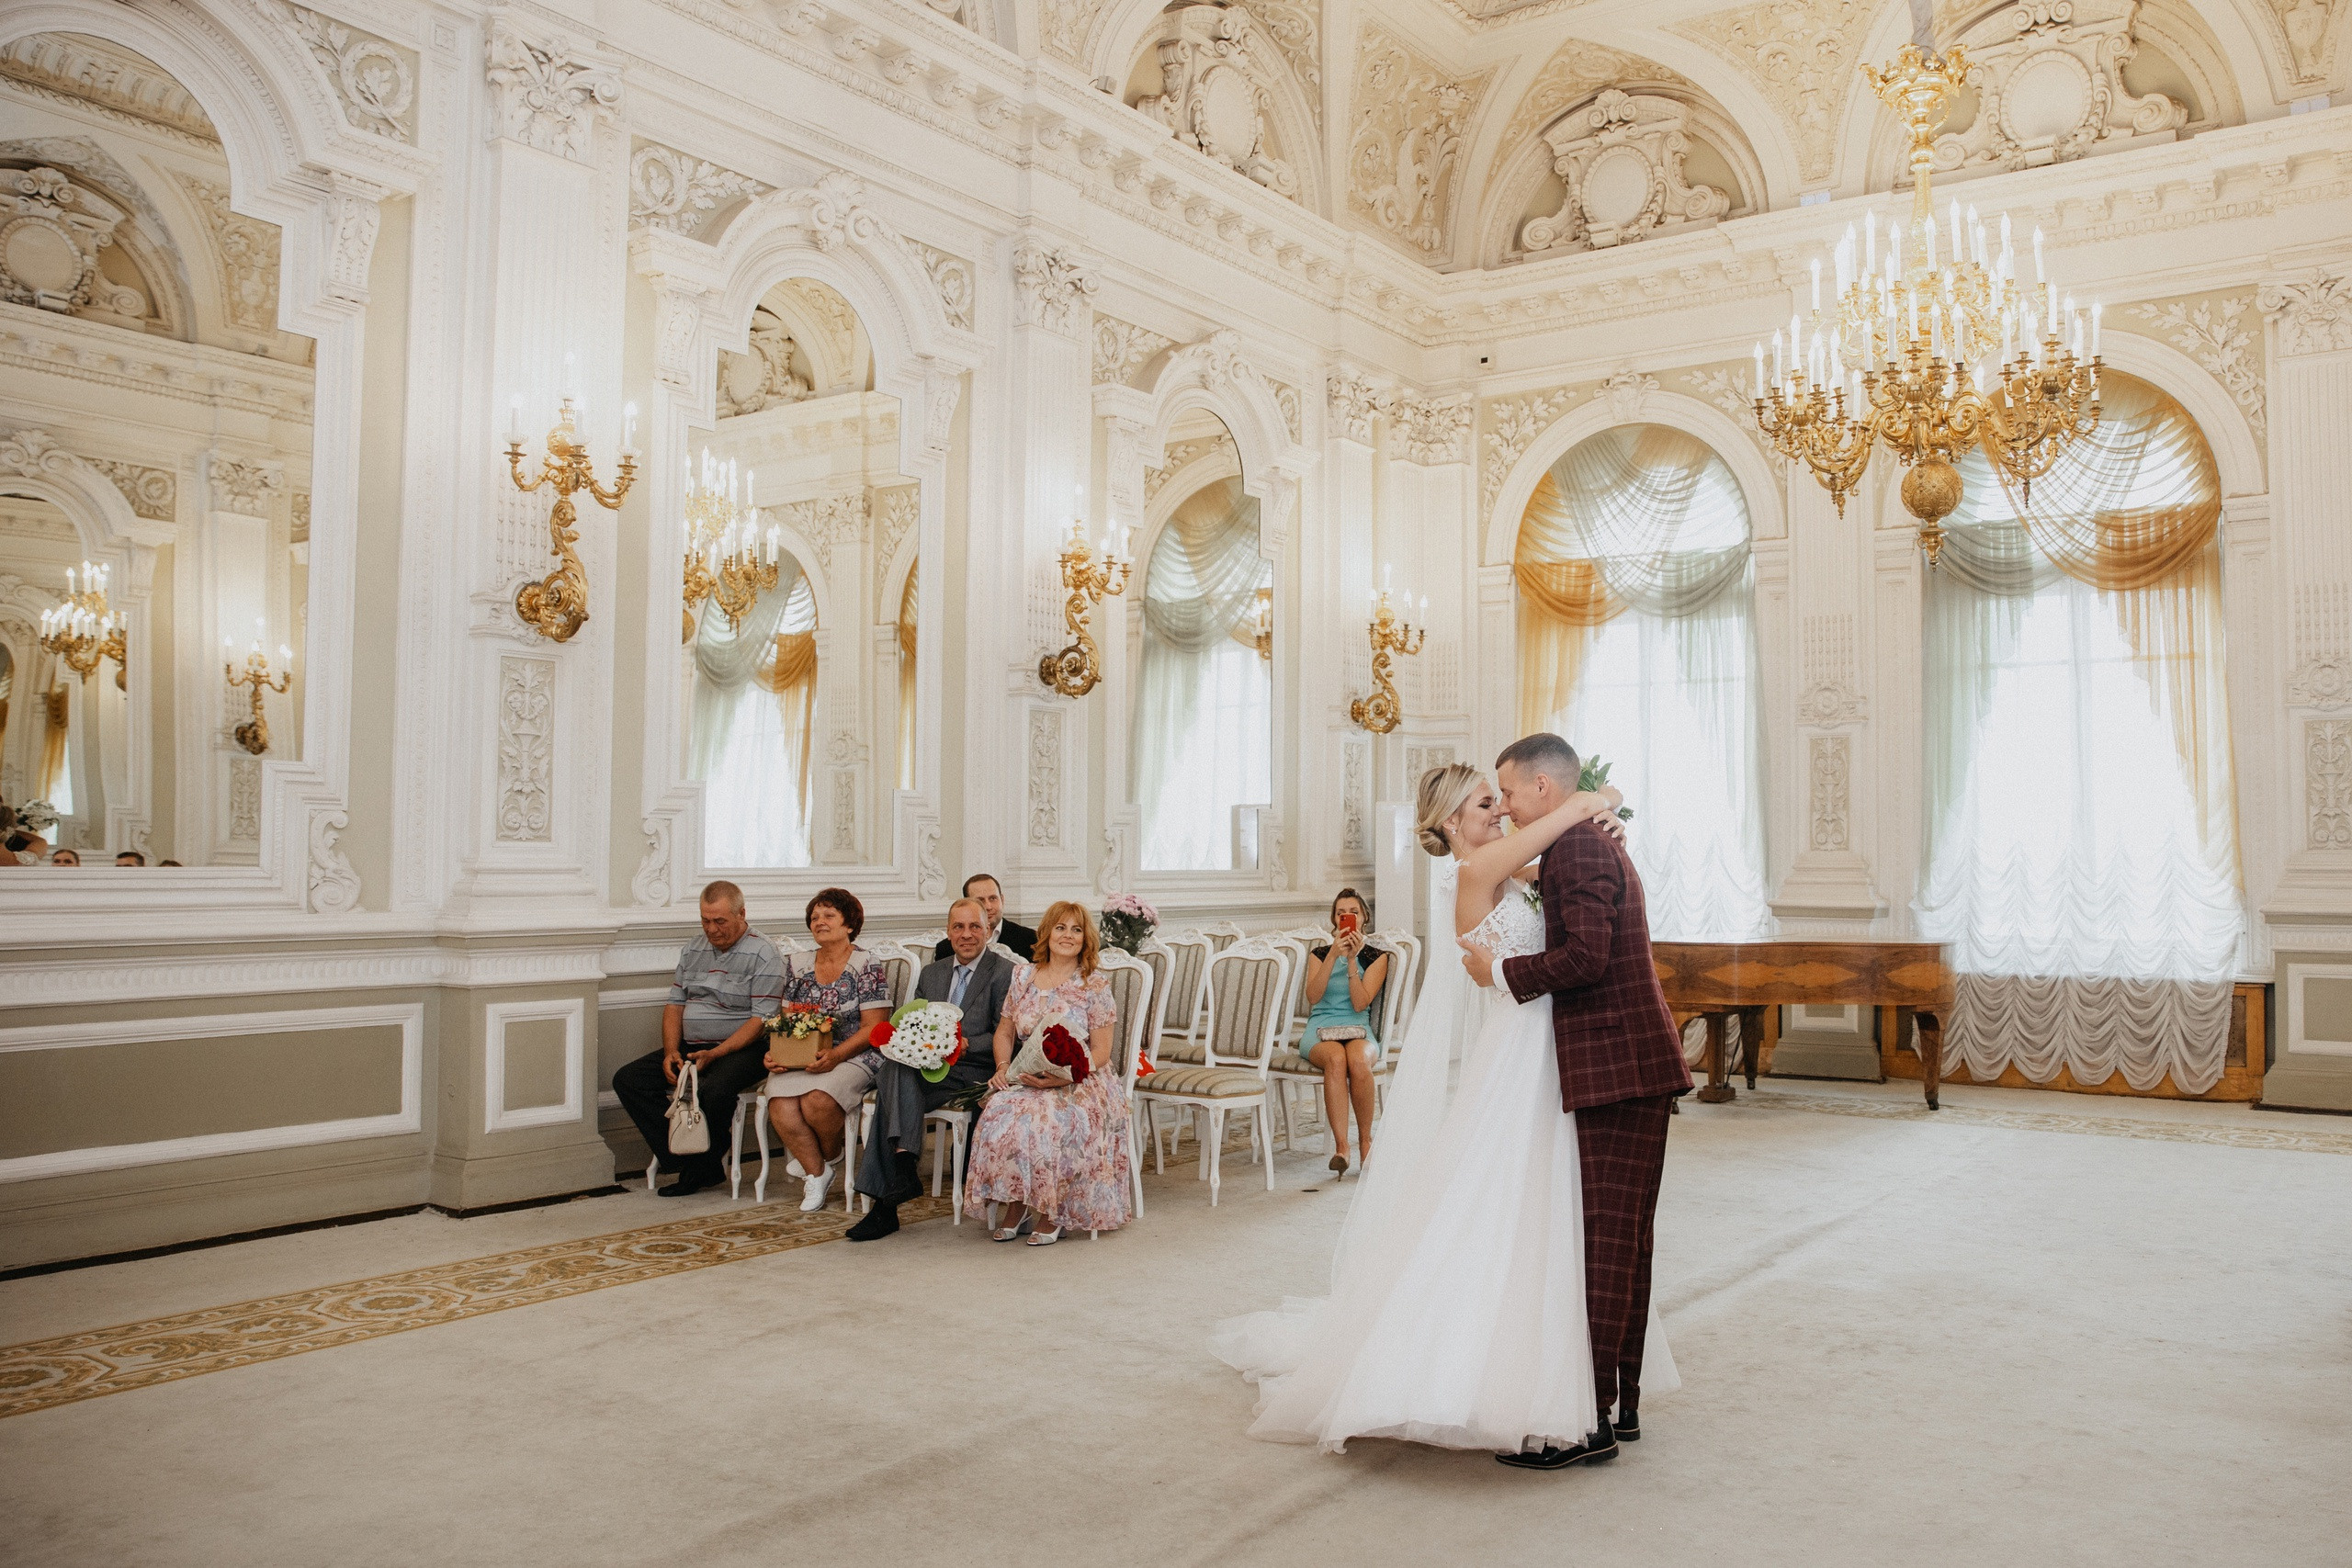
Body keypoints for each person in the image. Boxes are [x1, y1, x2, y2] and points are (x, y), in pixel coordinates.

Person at [1210, 761, 1660, 1457]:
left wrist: (1608, 800)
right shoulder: (1475, 871)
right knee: (1514, 1197)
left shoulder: (1509, 870)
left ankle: (1569, 1369)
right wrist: (1592, 801)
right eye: (1488, 802)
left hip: (1547, 1043)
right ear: (1452, 822)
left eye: (1502, 798)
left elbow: (1562, 841)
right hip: (1524, 1046)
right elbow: (1562, 819)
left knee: (1545, 1206)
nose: (1502, 811)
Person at [1468, 733, 1693, 1471]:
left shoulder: (1579, 849)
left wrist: (1502, 971)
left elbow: (1586, 959)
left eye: (1506, 791)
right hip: (1629, 1064)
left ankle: (1589, 1423)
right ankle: (1621, 1405)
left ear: (1541, 787)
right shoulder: (1581, 839)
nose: (1501, 804)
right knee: (1625, 1241)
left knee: (1605, 1243)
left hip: (1618, 1066)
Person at [847, 896, 1015, 1241]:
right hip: (929, 1069)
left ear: (988, 930)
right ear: (948, 932)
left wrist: (968, 1043)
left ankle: (887, 1203)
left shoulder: (1005, 972)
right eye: (958, 927)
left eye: (974, 927)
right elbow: (914, 1023)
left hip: (974, 1072)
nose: (966, 934)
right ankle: (903, 1170)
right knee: (896, 1069)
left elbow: (1010, 1032)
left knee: (889, 1092)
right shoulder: (932, 973)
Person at [963, 901, 1130, 1245]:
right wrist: (1003, 1067)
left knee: (1046, 1119)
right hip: (1028, 1074)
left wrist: (1066, 1076)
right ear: (1047, 933)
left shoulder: (1093, 984)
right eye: (1060, 928)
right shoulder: (1023, 976)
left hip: (1082, 1079)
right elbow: (1005, 1032)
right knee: (999, 1112)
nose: (1067, 936)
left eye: (1076, 929)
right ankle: (1017, 1204)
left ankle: (1054, 1212)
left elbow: (1101, 1051)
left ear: (1086, 940)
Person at [612, 881, 786, 1198]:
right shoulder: (693, 949)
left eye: (720, 921)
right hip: (692, 1048)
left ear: (742, 913)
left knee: (714, 1089)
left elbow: (760, 1021)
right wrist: (670, 1052)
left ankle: (698, 1167)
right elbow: (675, 1005)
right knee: (629, 1080)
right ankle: (694, 1162)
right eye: (706, 920)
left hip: (744, 1047)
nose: (712, 929)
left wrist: (717, 1053)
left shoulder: (764, 953)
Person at [760, 887, 890, 1212]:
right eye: (815, 917)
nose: (820, 921)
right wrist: (778, 1054)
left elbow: (874, 1027)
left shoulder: (866, 963)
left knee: (817, 1099)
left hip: (856, 1052)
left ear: (849, 924)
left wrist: (835, 1055)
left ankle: (825, 1154)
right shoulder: (798, 964)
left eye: (829, 915)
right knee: (779, 1101)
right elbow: (788, 1021)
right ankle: (818, 1172)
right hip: (806, 1054)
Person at [1297, 888, 1389, 1178]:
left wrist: (1351, 961)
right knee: (1336, 1059)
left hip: (1357, 1026)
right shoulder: (1319, 954)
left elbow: (1361, 1002)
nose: (1346, 917)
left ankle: (1365, 1142)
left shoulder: (1376, 957)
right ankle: (1342, 1148)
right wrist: (1333, 956)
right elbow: (1313, 997)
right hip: (1321, 1027)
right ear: (1335, 921)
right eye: (1340, 913)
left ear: (1363, 919)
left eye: (1353, 912)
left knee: (1359, 1060)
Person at [932, 874, 1036, 964]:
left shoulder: (1030, 939)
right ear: (967, 904)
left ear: (1002, 900)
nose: (988, 907)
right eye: (980, 900)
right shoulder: (946, 948)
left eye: (993, 899)